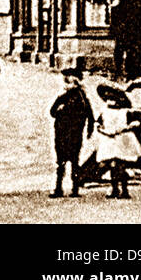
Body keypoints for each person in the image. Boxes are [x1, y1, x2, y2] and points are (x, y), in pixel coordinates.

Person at [49, 64, 93, 198]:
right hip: (63, 133)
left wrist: (89, 129)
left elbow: (90, 115)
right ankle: (62, 188)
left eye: (67, 81)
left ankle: (71, 189)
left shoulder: (80, 98)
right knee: (64, 161)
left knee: (71, 161)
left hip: (72, 133)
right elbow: (52, 112)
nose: (66, 83)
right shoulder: (65, 97)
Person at [95, 84, 141, 199]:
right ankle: (115, 188)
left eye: (113, 99)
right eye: (108, 99)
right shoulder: (104, 112)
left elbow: (136, 122)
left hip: (122, 140)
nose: (110, 101)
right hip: (109, 140)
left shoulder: (125, 112)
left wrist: (126, 128)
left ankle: (124, 189)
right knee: (112, 165)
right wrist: (103, 130)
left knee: (120, 165)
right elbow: (98, 123)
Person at [111, 0, 141, 81]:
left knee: (127, 53)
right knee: (120, 53)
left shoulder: (126, 1)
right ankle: (121, 73)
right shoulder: (118, 1)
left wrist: (115, 6)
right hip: (121, 32)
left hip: (127, 32)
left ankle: (127, 74)